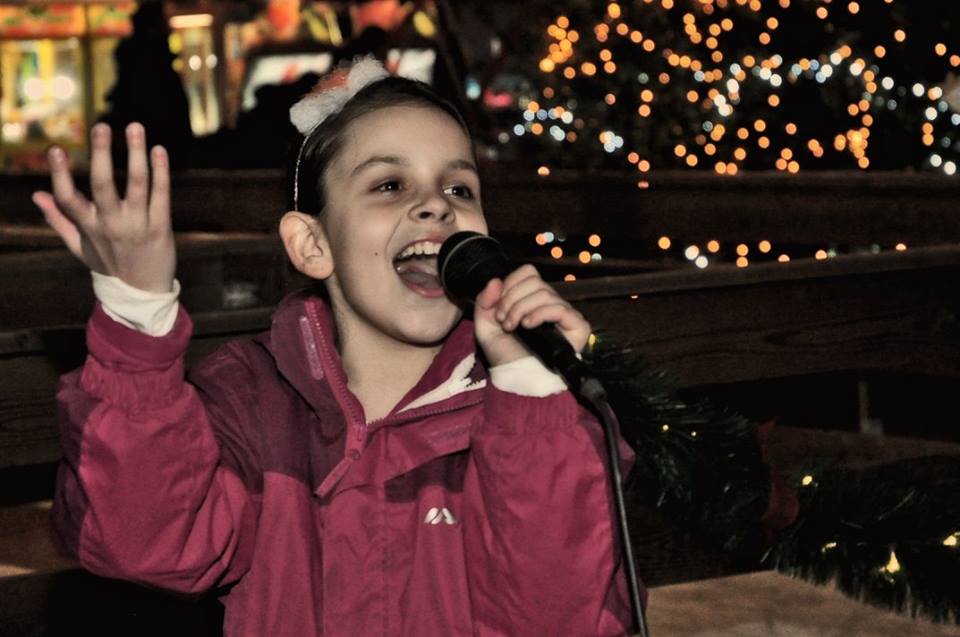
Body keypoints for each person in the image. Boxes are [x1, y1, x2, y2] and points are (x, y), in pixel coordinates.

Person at [32, 56, 636, 636]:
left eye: (459, 189)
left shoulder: (533, 414)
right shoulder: (250, 401)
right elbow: (146, 540)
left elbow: (562, 615)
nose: (434, 204)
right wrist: (137, 312)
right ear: (311, 245)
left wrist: (533, 389)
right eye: (390, 183)